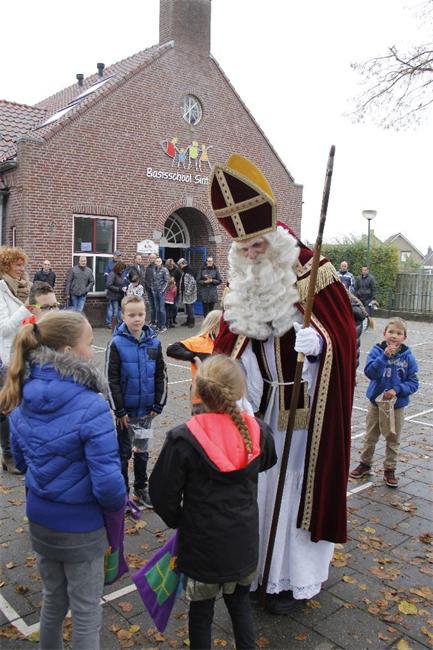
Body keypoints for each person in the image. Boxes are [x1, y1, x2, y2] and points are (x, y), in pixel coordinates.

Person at [209, 154, 357, 614]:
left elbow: (344, 338)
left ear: (274, 237)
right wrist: (237, 389)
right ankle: (256, 572)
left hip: (306, 407)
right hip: (261, 406)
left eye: (257, 246)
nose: (252, 255)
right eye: (244, 248)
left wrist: (322, 346)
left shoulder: (314, 272)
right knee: (260, 487)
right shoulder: (244, 280)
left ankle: (294, 581)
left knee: (295, 488)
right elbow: (233, 342)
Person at [0, 311, 126, 650]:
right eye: (89, 343)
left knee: (53, 601)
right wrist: (117, 510)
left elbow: (21, 461)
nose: (93, 350)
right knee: (86, 612)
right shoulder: (92, 406)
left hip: (41, 520)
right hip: (82, 527)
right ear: (68, 351)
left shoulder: (21, 393)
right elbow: (108, 485)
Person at [149, 355, 277, 650]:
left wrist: (180, 520)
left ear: (199, 391)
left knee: (201, 612)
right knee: (240, 606)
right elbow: (268, 460)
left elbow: (162, 493)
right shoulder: (257, 431)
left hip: (201, 545)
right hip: (243, 542)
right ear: (239, 391)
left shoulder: (183, 438)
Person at [106, 295, 168, 509]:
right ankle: (122, 493)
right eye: (131, 315)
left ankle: (141, 489)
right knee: (123, 453)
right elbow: (111, 379)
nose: (137, 318)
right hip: (126, 414)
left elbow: (161, 374)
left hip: (146, 413)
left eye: (140, 314)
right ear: (123, 316)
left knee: (142, 451)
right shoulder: (116, 343)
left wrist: (159, 403)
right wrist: (119, 410)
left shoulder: (154, 342)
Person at [350, 317, 419, 488]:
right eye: (391, 332)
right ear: (384, 333)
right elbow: (370, 373)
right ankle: (365, 463)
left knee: (393, 438)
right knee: (370, 435)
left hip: (396, 406)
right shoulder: (376, 351)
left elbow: (413, 382)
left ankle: (390, 469)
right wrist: (384, 356)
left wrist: (397, 389)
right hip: (376, 403)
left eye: (399, 333)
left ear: (404, 337)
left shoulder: (408, 357)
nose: (394, 336)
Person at [0, 246, 32, 473]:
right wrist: (25, 310)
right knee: (7, 408)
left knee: (20, 406)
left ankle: (18, 452)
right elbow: (3, 329)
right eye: (17, 265)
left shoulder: (21, 288)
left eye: (23, 265)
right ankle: (9, 455)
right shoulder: (1, 290)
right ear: (5, 265)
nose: (22, 269)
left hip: (20, 354)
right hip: (4, 358)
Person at [166, 310, 222, 412]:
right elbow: (172, 349)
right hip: (201, 398)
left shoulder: (227, 344)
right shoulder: (200, 341)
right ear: (214, 327)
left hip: (222, 398)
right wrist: (194, 358)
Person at [106, 261, 127, 329]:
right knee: (115, 311)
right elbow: (108, 285)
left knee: (120, 311)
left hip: (120, 296)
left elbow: (121, 283)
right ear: (118, 268)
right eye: (122, 269)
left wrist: (124, 288)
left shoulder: (121, 275)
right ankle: (114, 327)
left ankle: (120, 326)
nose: (123, 271)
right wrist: (119, 289)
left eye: (123, 269)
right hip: (113, 296)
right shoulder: (112, 274)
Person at [151, 257, 169, 332]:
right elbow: (152, 280)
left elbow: (166, 281)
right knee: (157, 309)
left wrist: (162, 290)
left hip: (161, 292)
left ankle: (163, 325)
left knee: (162, 309)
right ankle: (158, 325)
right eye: (157, 261)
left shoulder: (164, 270)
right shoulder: (153, 270)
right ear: (155, 262)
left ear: (161, 262)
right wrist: (152, 289)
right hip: (155, 291)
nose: (158, 262)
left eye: (159, 261)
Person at [178, 258, 197, 328]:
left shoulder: (189, 270)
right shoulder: (185, 270)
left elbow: (192, 283)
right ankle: (188, 321)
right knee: (187, 307)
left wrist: (188, 292)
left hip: (189, 293)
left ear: (183, 264)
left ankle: (192, 322)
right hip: (185, 293)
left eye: (180, 265)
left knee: (190, 307)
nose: (180, 266)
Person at [165, 259, 181, 324]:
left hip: (175, 290)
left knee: (175, 306)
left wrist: (176, 286)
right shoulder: (165, 270)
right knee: (168, 307)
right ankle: (169, 320)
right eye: (168, 266)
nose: (169, 268)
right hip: (167, 291)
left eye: (170, 266)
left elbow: (180, 280)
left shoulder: (177, 270)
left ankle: (174, 318)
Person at [144, 253, 157, 326]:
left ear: (155, 258)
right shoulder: (148, 267)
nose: (151, 259)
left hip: (155, 290)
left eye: (153, 258)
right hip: (149, 289)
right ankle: (152, 321)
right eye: (150, 258)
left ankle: (157, 321)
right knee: (151, 306)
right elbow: (146, 278)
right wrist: (146, 287)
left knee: (156, 306)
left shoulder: (157, 267)